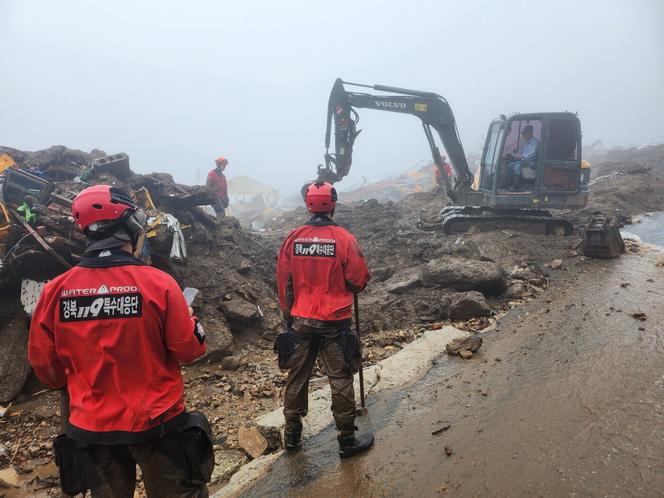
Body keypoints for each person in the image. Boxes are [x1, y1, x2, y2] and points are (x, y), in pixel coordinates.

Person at [28, 185, 213, 497]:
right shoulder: (159, 284)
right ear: (132, 226)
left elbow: (46, 368)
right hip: (157, 424)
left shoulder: (54, 291)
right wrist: (191, 319)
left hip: (92, 430)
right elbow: (189, 349)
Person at [276, 182, 373, 459]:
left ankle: (292, 437)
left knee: (297, 377)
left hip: (302, 320)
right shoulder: (344, 239)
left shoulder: (293, 238)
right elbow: (358, 280)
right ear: (333, 203)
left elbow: (285, 281)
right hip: (336, 320)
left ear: (307, 203)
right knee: (340, 377)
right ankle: (346, 440)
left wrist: (288, 315)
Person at [507, 125, 539, 189]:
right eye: (523, 133)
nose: (523, 135)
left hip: (531, 164)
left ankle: (517, 186)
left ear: (530, 133)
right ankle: (509, 184)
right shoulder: (527, 143)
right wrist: (512, 155)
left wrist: (518, 156)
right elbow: (522, 154)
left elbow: (527, 156)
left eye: (524, 133)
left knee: (517, 167)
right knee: (510, 165)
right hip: (525, 162)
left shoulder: (535, 143)